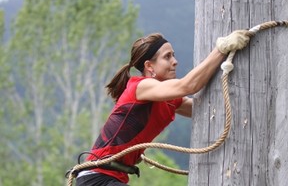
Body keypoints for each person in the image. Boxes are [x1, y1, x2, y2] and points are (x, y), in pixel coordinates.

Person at [76, 30, 253, 186]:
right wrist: (221, 50)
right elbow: (188, 86)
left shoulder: (169, 100)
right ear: (149, 66)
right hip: (97, 179)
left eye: (173, 55)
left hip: (109, 179)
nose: (175, 61)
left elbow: (204, 111)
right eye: (167, 57)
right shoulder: (141, 87)